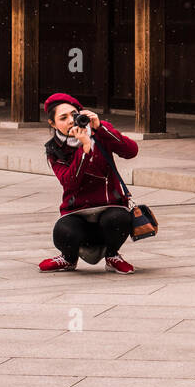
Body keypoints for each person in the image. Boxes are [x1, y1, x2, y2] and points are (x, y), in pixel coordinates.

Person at [37, 92, 140, 274]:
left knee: (119, 218)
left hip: (110, 206)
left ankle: (112, 256)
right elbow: (70, 183)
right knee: (64, 231)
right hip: (77, 211)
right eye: (63, 118)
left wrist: (100, 127)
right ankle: (68, 259)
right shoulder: (54, 149)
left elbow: (131, 151)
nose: (71, 120)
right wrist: (84, 149)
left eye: (74, 114)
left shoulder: (100, 133)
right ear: (52, 123)